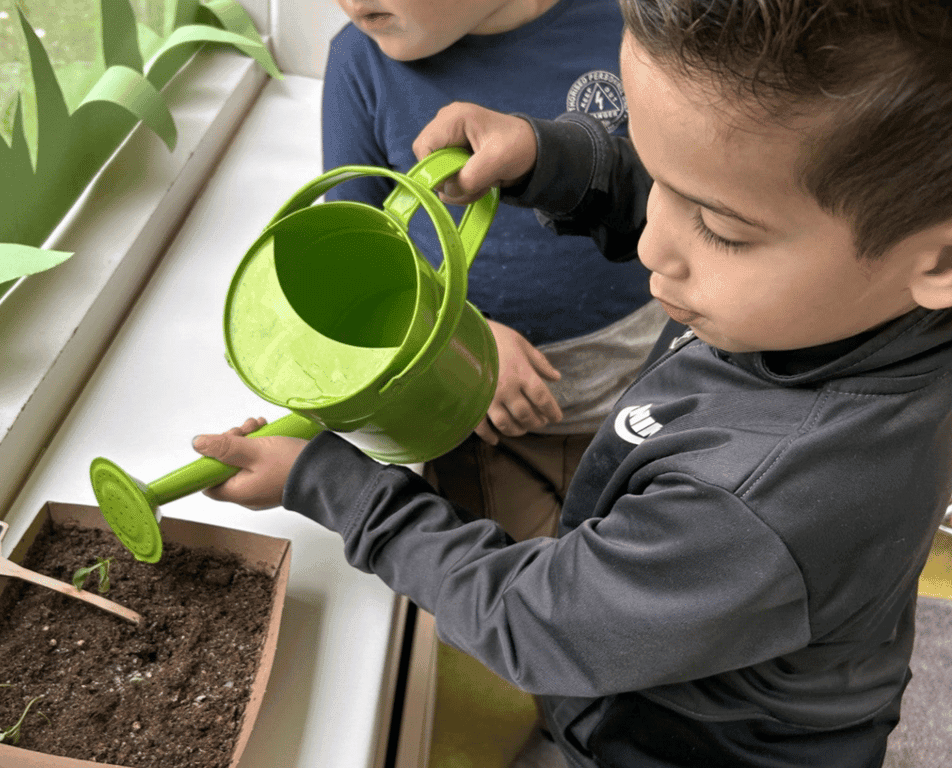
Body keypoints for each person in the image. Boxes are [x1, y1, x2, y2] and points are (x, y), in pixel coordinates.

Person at [194, 1, 952, 766]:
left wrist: (335, 484)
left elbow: (537, 621)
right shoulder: (854, 302)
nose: (655, 241)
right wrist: (544, 158)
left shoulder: (770, 501)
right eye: (659, 181)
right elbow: (726, 186)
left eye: (721, 229)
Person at [321, 0, 668, 543]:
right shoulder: (356, 62)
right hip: (491, 423)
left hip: (651, 388)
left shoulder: (634, 19)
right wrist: (459, 338)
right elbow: (353, 261)